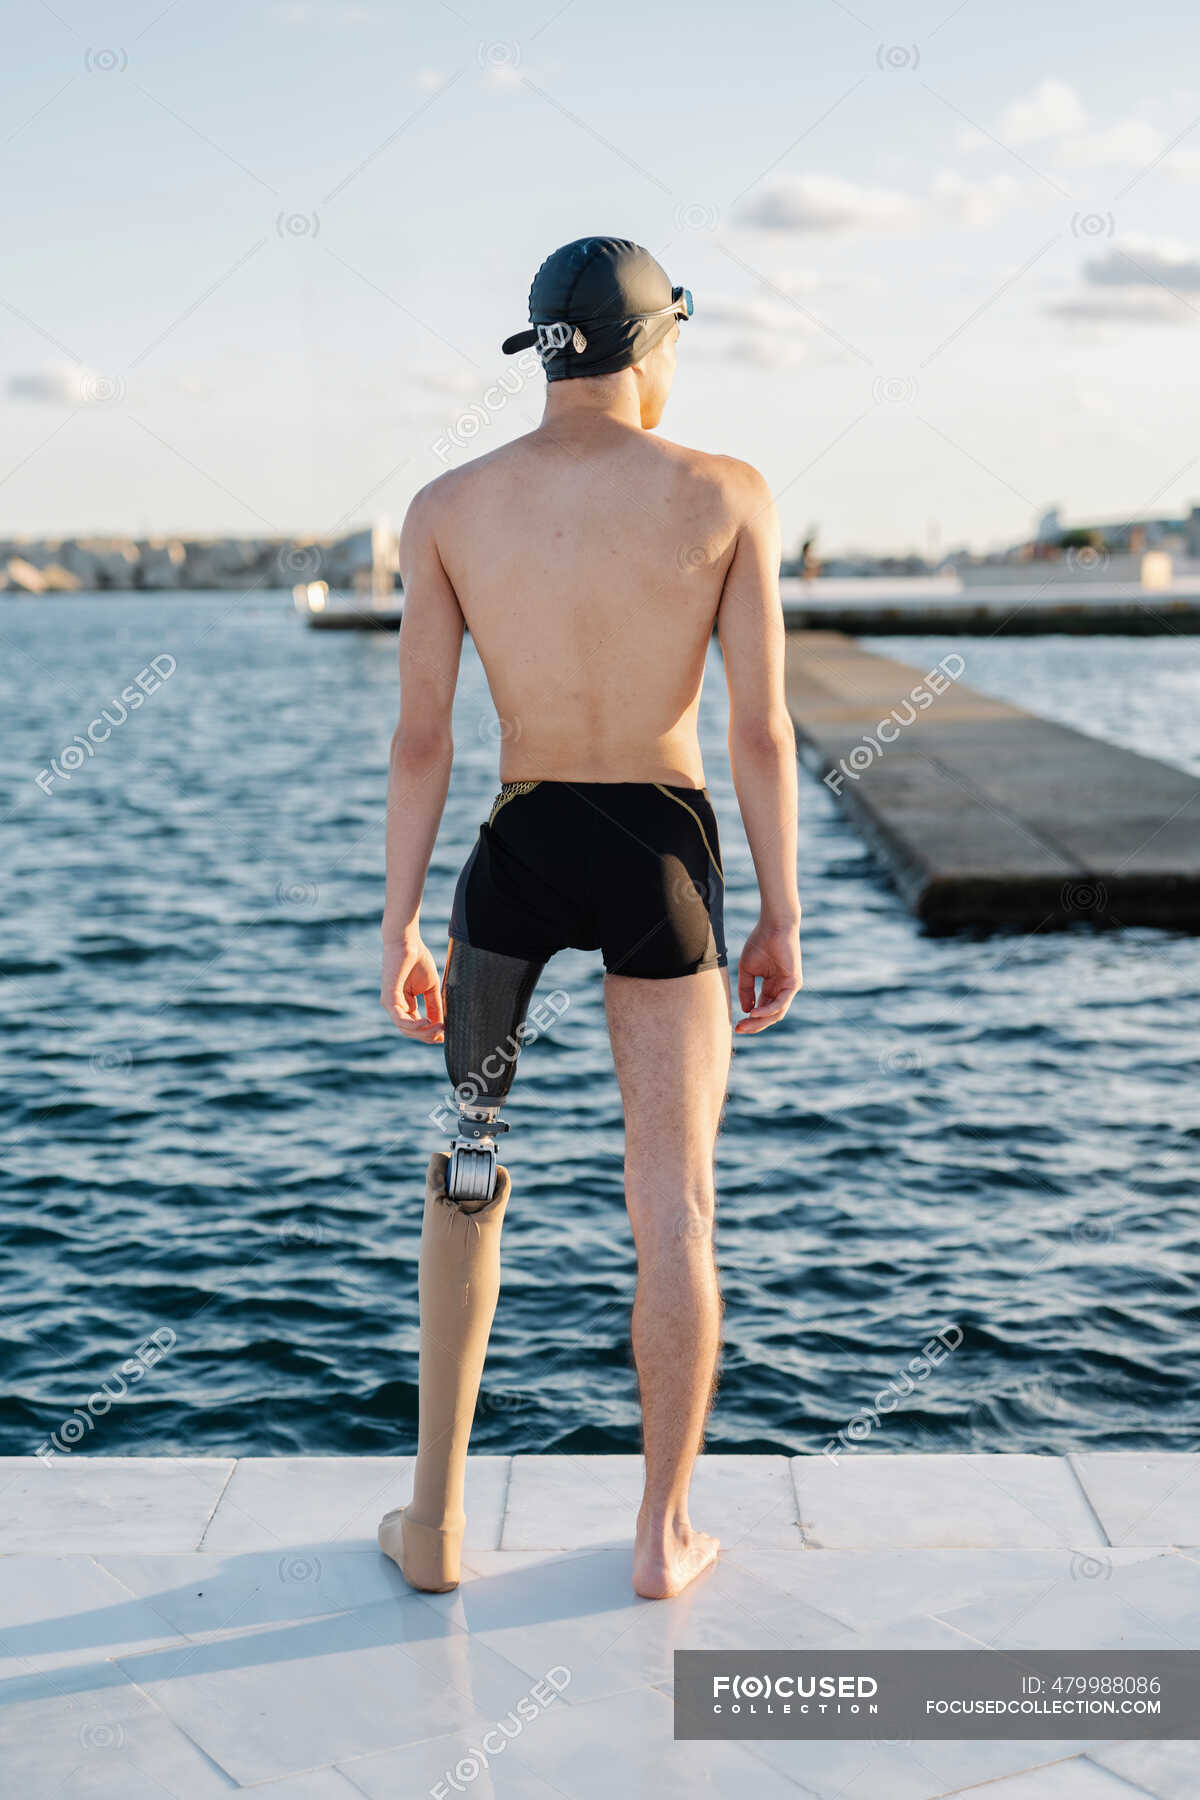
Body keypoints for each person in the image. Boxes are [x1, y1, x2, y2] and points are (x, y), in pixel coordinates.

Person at [377, 237, 802, 1602]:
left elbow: (422, 741)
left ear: (547, 355)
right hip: (659, 850)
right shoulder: (725, 492)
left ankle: (436, 1526)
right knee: (671, 1204)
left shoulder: (447, 505)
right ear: (649, 346)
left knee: (468, 1158)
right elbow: (760, 729)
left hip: (518, 845)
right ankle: (660, 1537)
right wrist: (779, 910)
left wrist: (400, 925)